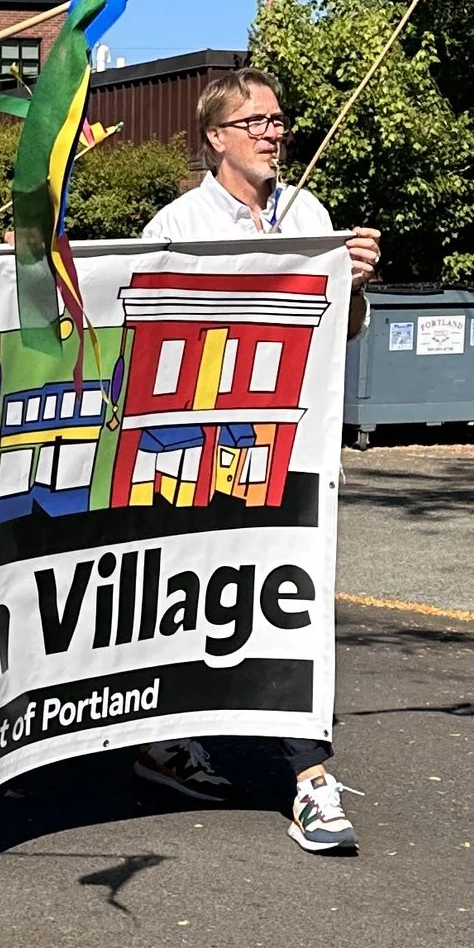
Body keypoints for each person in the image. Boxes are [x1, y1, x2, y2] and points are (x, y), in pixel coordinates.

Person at [135, 72, 381, 858]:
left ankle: (311, 778)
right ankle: (159, 738)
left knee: (291, 602)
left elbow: (341, 329)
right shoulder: (176, 224)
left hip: (291, 448)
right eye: (255, 121)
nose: (273, 133)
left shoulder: (309, 214)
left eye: (278, 120)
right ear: (216, 136)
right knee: (190, 601)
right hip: (201, 451)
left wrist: (355, 283)